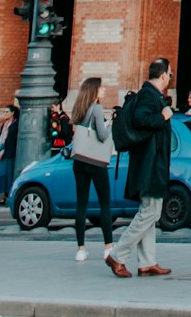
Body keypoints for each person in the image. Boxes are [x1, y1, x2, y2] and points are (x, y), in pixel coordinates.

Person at [106, 57, 174, 279]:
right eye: (170, 74)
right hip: (150, 163)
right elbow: (141, 118)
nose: (170, 79)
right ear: (163, 75)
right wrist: (162, 116)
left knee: (149, 211)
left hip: (150, 162)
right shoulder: (148, 95)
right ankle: (117, 255)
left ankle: (147, 262)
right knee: (151, 211)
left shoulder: (151, 94)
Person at [70, 77, 114, 263]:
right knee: (105, 204)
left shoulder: (79, 108)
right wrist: (110, 124)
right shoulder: (96, 108)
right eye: (101, 87)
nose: (104, 90)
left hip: (79, 160)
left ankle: (81, 249)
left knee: (81, 205)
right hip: (96, 161)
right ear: (94, 90)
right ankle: (108, 247)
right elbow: (102, 136)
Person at [0, 103, 19, 205]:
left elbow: (11, 141)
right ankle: (1, 196)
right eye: (4, 112)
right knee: (1, 175)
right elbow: (1, 138)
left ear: (12, 113)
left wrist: (3, 151)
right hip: (2, 151)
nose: (5, 113)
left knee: (7, 175)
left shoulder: (15, 124)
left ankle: (6, 196)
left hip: (9, 153)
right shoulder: (4, 125)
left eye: (7, 112)